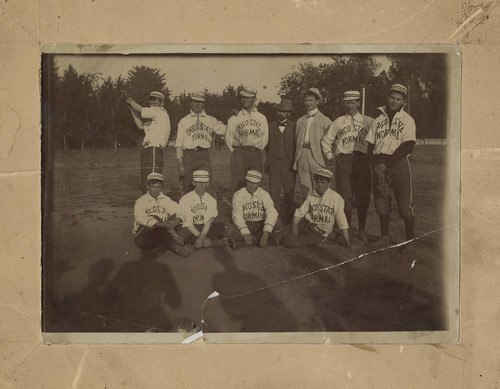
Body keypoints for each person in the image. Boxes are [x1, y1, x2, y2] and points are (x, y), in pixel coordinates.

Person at [364, 84, 416, 251]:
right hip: (379, 163)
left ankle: (409, 242)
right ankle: (384, 237)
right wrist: (376, 164)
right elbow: (369, 145)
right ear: (388, 97)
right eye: (392, 97)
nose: (395, 101)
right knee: (381, 204)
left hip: (398, 164)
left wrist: (386, 164)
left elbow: (408, 146)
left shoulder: (407, 119)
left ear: (403, 102)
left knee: (404, 205)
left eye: (399, 99)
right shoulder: (378, 120)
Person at [321, 90, 374, 242]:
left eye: (353, 102)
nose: (350, 106)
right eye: (347, 102)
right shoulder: (338, 121)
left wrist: (372, 157)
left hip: (362, 160)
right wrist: (330, 156)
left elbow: (378, 140)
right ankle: (347, 230)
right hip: (343, 160)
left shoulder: (368, 121)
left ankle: (362, 229)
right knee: (345, 196)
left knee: (363, 195)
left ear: (358, 103)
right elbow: (326, 140)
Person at [283, 168, 350, 248]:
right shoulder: (312, 194)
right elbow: (300, 211)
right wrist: (294, 225)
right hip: (306, 223)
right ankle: (278, 236)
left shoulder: (336, 198)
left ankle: (291, 239)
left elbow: (342, 220)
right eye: (318, 182)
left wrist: (348, 243)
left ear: (329, 183)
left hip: (319, 233)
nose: (320, 185)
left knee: (291, 242)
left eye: (323, 182)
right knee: (281, 235)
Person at [175, 91, 226, 196]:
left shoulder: (211, 120)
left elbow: (225, 130)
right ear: (190, 103)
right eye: (195, 101)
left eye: (200, 102)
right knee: (188, 186)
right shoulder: (183, 121)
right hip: (188, 155)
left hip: (204, 156)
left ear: (204, 104)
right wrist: (180, 165)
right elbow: (179, 144)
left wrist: (235, 116)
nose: (197, 104)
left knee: (208, 187)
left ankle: (209, 212)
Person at [133, 173, 193, 257]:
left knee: (182, 221)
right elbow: (139, 218)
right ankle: (172, 244)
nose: (156, 190)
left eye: (158, 187)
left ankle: (165, 244)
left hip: (160, 235)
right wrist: (163, 225)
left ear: (162, 187)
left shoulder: (165, 200)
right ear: (147, 186)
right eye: (153, 186)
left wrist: (176, 220)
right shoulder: (141, 201)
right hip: (143, 238)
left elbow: (180, 210)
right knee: (155, 218)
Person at [225, 170, 285, 249]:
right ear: (246, 181)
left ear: (259, 183)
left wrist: (266, 232)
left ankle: (251, 241)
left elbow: (272, 212)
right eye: (249, 182)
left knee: (279, 222)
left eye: (255, 183)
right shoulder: (238, 194)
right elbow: (237, 215)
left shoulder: (264, 194)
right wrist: (246, 233)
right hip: (247, 223)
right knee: (229, 230)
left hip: (261, 224)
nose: (251, 186)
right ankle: (260, 241)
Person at [225, 85, 269, 191]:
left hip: (256, 153)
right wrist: (236, 152)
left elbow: (265, 137)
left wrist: (257, 150)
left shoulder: (261, 117)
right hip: (239, 153)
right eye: (243, 97)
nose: (244, 100)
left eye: (248, 97)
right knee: (238, 184)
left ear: (254, 99)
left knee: (255, 184)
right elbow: (228, 138)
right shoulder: (235, 117)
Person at [127, 91, 171, 194]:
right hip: (147, 150)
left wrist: (131, 101)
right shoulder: (154, 120)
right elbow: (140, 125)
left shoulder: (159, 111)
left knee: (153, 180)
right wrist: (131, 108)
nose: (152, 102)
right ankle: (148, 206)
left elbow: (141, 109)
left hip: (154, 149)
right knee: (146, 182)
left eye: (155, 100)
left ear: (162, 103)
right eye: (150, 100)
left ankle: (155, 206)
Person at [293, 87, 332, 201]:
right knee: (305, 189)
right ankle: (308, 215)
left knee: (319, 187)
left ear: (317, 101)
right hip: (302, 156)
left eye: (311, 100)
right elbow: (296, 139)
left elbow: (331, 140)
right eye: (306, 100)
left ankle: (320, 215)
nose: (308, 103)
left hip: (317, 156)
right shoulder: (300, 121)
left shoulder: (325, 120)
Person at [264, 98, 297, 223]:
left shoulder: (294, 126)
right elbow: (266, 145)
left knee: (289, 193)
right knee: (274, 193)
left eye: (284, 112)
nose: (281, 114)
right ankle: (274, 221)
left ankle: (289, 221)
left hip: (289, 165)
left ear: (289, 113)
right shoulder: (270, 126)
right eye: (280, 111)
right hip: (274, 164)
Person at [177, 170, 226, 249]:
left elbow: (209, 221)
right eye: (198, 182)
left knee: (220, 226)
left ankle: (196, 244)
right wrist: (200, 236)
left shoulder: (211, 200)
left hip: (204, 228)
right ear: (193, 183)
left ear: (208, 183)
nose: (201, 186)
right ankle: (211, 243)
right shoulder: (185, 198)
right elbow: (187, 222)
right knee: (181, 234)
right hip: (190, 228)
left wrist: (202, 236)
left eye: (204, 183)